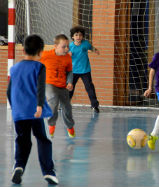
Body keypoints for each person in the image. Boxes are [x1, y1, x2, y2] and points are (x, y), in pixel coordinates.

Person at [7, 34, 58, 184]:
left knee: (23, 141)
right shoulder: (39, 66)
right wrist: (40, 106)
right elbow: (40, 88)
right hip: (35, 112)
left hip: (19, 113)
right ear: (41, 51)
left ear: (23, 50)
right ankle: (48, 171)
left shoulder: (14, 68)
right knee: (43, 139)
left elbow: (9, 91)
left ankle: (19, 166)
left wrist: (15, 107)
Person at [40, 34, 75, 138]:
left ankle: (70, 126)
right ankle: (51, 125)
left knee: (67, 107)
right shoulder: (45, 55)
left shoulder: (67, 57)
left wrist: (69, 82)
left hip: (62, 85)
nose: (66, 49)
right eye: (63, 47)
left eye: (67, 46)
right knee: (53, 100)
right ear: (55, 46)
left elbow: (69, 72)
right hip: (49, 83)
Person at [69, 26, 100, 113]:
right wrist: (67, 54)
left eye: (80, 35)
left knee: (89, 88)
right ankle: (65, 104)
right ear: (72, 37)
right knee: (70, 88)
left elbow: (92, 48)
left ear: (82, 36)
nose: (78, 37)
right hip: (73, 71)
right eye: (76, 35)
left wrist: (95, 50)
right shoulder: (70, 46)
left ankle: (94, 105)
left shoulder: (85, 44)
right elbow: (63, 54)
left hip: (85, 70)